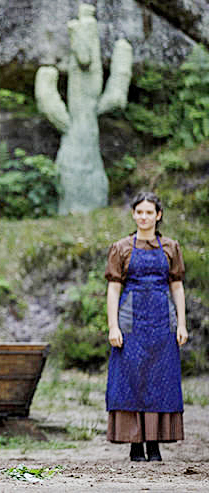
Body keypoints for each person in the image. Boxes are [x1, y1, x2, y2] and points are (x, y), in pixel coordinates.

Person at [105, 192, 188, 462]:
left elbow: (177, 286)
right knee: (131, 381)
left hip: (163, 322)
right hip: (130, 324)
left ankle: (154, 445)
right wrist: (113, 326)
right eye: (139, 212)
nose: (144, 217)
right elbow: (113, 289)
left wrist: (182, 324)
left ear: (158, 215)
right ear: (133, 214)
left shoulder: (171, 247)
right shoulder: (121, 248)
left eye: (149, 212)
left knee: (160, 381)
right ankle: (134, 445)